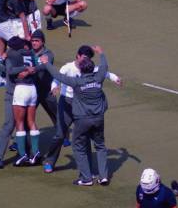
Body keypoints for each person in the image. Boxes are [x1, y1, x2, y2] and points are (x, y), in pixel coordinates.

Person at [43, 45, 122, 174]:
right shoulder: (67, 67)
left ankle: (87, 169)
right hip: (67, 104)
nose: (86, 61)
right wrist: (54, 87)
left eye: (89, 59)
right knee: (60, 134)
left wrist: (115, 78)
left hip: (82, 107)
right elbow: (57, 78)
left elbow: (105, 73)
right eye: (84, 58)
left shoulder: (89, 67)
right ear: (78, 56)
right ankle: (50, 161)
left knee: (84, 137)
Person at [5, 37, 41, 166]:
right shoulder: (30, 53)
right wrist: (28, 69)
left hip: (21, 89)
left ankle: (22, 155)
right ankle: (36, 152)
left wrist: (22, 70)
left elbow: (10, 71)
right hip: (32, 89)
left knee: (19, 123)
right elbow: (36, 67)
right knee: (31, 122)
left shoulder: (12, 54)